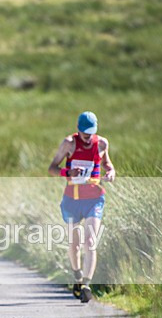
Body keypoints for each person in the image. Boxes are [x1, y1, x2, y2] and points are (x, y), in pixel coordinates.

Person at [48, 111, 115, 303]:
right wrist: (67, 171)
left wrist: (110, 172)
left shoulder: (102, 143)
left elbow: (108, 165)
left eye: (91, 133)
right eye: (84, 134)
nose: (88, 137)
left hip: (94, 198)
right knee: (74, 244)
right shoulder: (69, 143)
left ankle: (86, 285)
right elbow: (52, 168)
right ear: (78, 130)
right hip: (72, 198)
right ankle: (77, 276)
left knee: (90, 242)